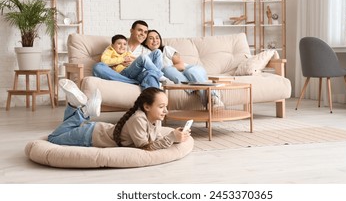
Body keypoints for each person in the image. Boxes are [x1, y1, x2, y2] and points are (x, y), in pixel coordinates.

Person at [48, 79, 190, 149]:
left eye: (166, 106)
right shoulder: (138, 120)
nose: (166, 111)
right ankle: (83, 112)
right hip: (89, 136)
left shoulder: (155, 119)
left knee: (65, 128)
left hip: (96, 129)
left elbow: (156, 140)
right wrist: (170, 138)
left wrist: (175, 137)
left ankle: (75, 106)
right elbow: (145, 147)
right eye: (161, 107)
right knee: (53, 138)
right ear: (147, 106)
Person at [142, 29, 224, 108]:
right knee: (166, 70)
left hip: (190, 70)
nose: (155, 40)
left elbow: (181, 65)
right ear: (145, 42)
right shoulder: (146, 56)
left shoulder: (166, 49)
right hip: (180, 77)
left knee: (181, 71)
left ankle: (214, 97)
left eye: (157, 37)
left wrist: (168, 70)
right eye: (151, 38)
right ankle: (208, 98)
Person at [92, 20, 165, 90]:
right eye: (140, 30)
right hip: (120, 73)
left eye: (145, 32)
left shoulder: (146, 51)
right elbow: (105, 60)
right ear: (131, 31)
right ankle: (132, 82)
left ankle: (158, 78)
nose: (143, 34)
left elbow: (149, 71)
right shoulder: (119, 43)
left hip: (139, 74)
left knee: (155, 54)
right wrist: (120, 61)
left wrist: (134, 62)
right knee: (98, 66)